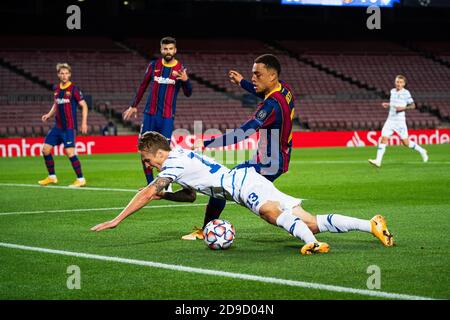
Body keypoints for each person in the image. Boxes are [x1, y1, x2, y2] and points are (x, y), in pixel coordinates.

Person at [91, 131, 395, 255]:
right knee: (309, 219)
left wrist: (118, 219)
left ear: (155, 153)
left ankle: (312, 244)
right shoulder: (179, 158)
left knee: (270, 214)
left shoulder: (172, 163)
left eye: (146, 160)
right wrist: (167, 196)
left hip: (240, 184)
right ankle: (370, 225)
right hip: (243, 178)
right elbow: (191, 196)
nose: (147, 165)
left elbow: (145, 193)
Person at [182, 54, 295, 240]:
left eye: (258, 74)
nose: (253, 78)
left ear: (272, 76)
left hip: (270, 163)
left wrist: (207, 142)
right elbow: (262, 91)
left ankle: (206, 231)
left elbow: (242, 133)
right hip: (274, 158)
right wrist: (242, 82)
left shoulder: (271, 106)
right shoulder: (284, 90)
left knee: (222, 185)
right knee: (259, 199)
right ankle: (304, 224)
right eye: (252, 74)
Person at [123, 36, 192, 187]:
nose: (168, 51)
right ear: (161, 50)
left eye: (170, 49)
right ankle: (151, 186)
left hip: (166, 118)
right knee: (143, 151)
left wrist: (186, 81)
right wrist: (134, 105)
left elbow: (188, 93)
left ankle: (166, 185)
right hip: (150, 115)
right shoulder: (154, 65)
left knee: (164, 154)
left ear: (175, 50)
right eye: (165, 49)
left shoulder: (180, 70)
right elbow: (143, 86)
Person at [38, 63, 88, 187]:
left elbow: (84, 105)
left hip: (69, 127)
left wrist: (84, 123)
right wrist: (49, 115)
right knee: (45, 150)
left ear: (70, 74)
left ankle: (81, 179)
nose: (64, 75)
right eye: (62, 73)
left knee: (70, 152)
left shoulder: (74, 89)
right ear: (58, 75)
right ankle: (52, 177)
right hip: (57, 127)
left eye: (66, 73)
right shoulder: (57, 88)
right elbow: (56, 104)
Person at [369, 75, 428, 168]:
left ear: (404, 84)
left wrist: (404, 108)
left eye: (401, 82)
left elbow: (413, 106)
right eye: (397, 82)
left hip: (400, 122)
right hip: (390, 120)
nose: (398, 84)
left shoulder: (406, 93)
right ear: (395, 82)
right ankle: (378, 161)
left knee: (406, 143)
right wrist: (388, 104)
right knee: (383, 138)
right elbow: (394, 104)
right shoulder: (392, 91)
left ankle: (422, 151)